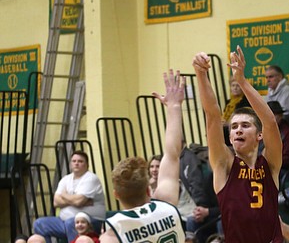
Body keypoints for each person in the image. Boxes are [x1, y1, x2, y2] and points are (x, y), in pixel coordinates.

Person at [192, 45, 283, 242]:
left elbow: (270, 122)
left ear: (259, 135)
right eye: (233, 127)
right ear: (231, 137)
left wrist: (241, 81)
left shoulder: (270, 163)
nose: (238, 130)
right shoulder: (224, 164)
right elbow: (213, 117)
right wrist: (201, 75)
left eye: (245, 125)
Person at [99, 70, 186, 242]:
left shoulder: (114, 230)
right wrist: (174, 107)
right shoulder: (166, 205)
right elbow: (172, 154)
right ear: (148, 189)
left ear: (116, 194)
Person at [33, 150, 106, 243]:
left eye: (80, 161)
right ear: (70, 164)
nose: (76, 164)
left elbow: (78, 201)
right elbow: (56, 202)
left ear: (87, 164)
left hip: (91, 222)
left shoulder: (91, 178)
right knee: (39, 224)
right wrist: (77, 201)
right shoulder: (65, 179)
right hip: (64, 221)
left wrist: (64, 195)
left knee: (72, 222)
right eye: (74, 161)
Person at [259, 101, 289, 180]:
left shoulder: (286, 133)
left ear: (281, 116)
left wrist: (269, 161)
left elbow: (286, 159)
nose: (271, 118)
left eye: (274, 115)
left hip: (280, 169)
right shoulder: (260, 130)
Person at [222, 77, 251, 145]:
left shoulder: (245, 101)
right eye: (233, 85)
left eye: (238, 85)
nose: (235, 88)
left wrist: (229, 123)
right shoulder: (229, 102)